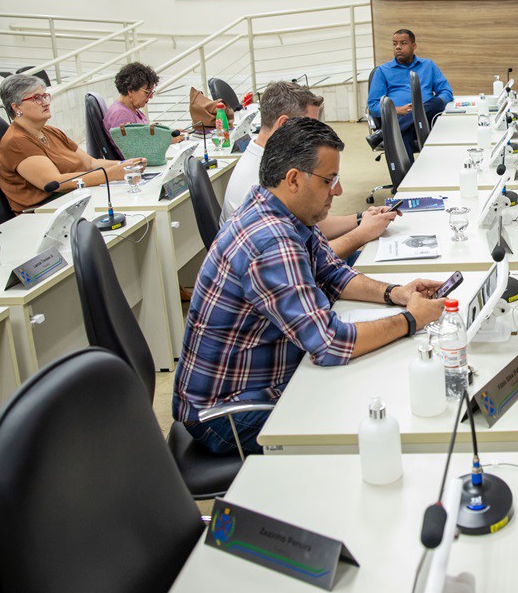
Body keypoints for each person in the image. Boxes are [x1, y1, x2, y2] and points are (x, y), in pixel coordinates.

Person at [173, 117, 447, 455]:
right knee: (367, 417)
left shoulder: (284, 211)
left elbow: (334, 273)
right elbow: (330, 344)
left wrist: (397, 294)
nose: (339, 191)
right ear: (293, 180)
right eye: (329, 180)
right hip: (227, 415)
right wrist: (412, 320)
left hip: (259, 384)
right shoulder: (271, 241)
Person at [223, 79, 397, 260]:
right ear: (284, 126)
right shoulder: (260, 182)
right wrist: (362, 234)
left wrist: (361, 218)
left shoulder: (272, 159)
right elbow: (307, 260)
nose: (316, 135)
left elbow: (310, 225)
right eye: (309, 126)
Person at [0, 73, 144, 214]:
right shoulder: (16, 141)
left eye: (45, 96)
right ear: (16, 107)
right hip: (48, 211)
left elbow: (90, 163)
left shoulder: (51, 131)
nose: (45, 102)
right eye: (36, 98)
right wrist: (110, 174)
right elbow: (54, 181)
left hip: (75, 199)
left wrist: (126, 165)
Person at [367, 29, 453, 157]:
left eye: (403, 43)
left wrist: (433, 104)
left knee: (437, 102)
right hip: (399, 117)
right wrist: (397, 110)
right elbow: (373, 105)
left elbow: (446, 91)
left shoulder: (428, 65)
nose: (398, 47)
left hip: (428, 118)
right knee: (404, 131)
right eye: (394, 44)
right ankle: (406, 176)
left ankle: (384, 133)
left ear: (414, 46)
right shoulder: (382, 71)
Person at [102, 61, 184, 143]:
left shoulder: (131, 109)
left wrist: (165, 133)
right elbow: (136, 149)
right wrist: (167, 140)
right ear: (130, 90)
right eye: (147, 92)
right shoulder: (120, 114)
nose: (151, 96)